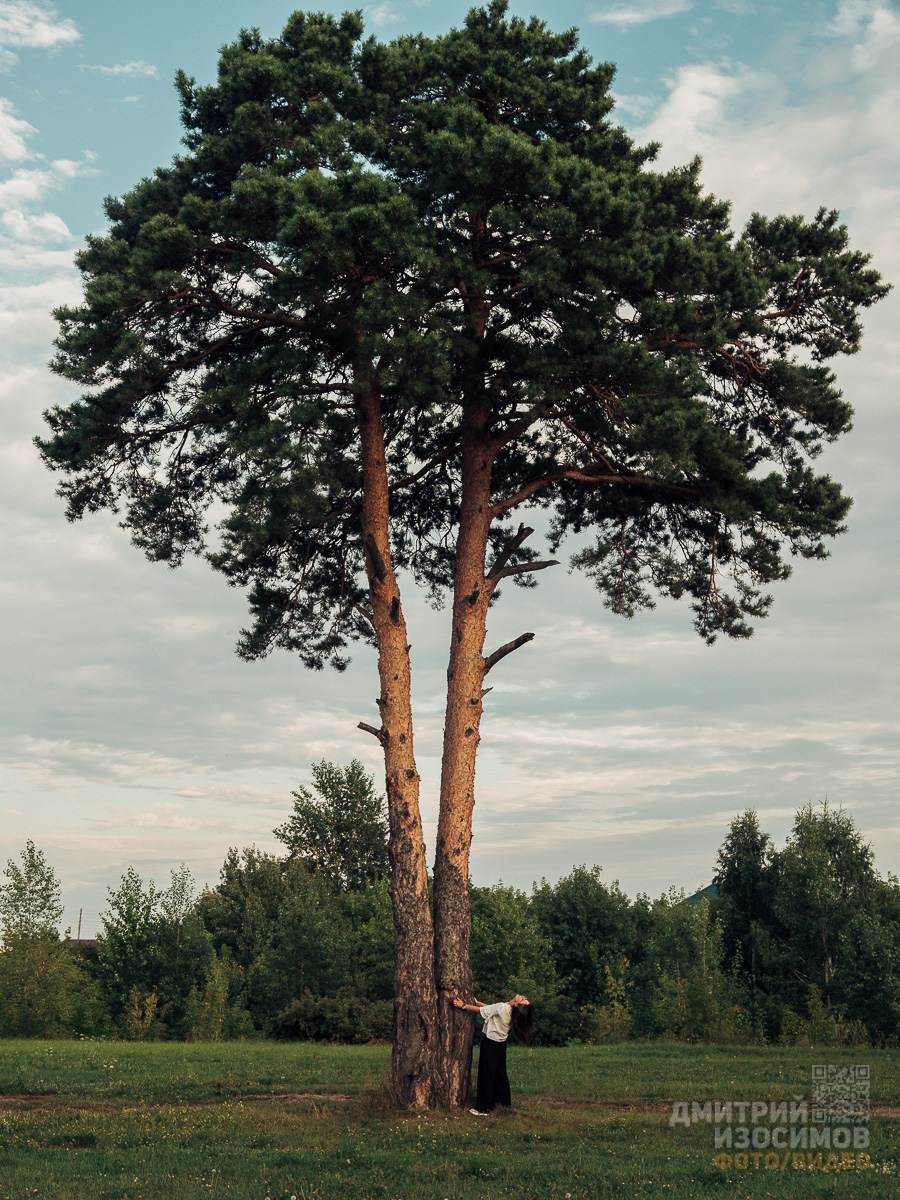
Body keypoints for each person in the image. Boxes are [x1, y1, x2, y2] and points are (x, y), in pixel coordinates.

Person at [453, 993, 533, 1115]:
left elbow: (481, 1011)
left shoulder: (503, 1007)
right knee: (500, 1074)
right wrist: (478, 1002)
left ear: (517, 1004)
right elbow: (492, 1009)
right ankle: (503, 1103)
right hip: (501, 1044)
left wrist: (463, 1005)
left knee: (487, 1074)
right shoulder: (509, 1010)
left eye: (523, 999)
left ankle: (483, 1108)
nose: (522, 996)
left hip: (490, 1044)